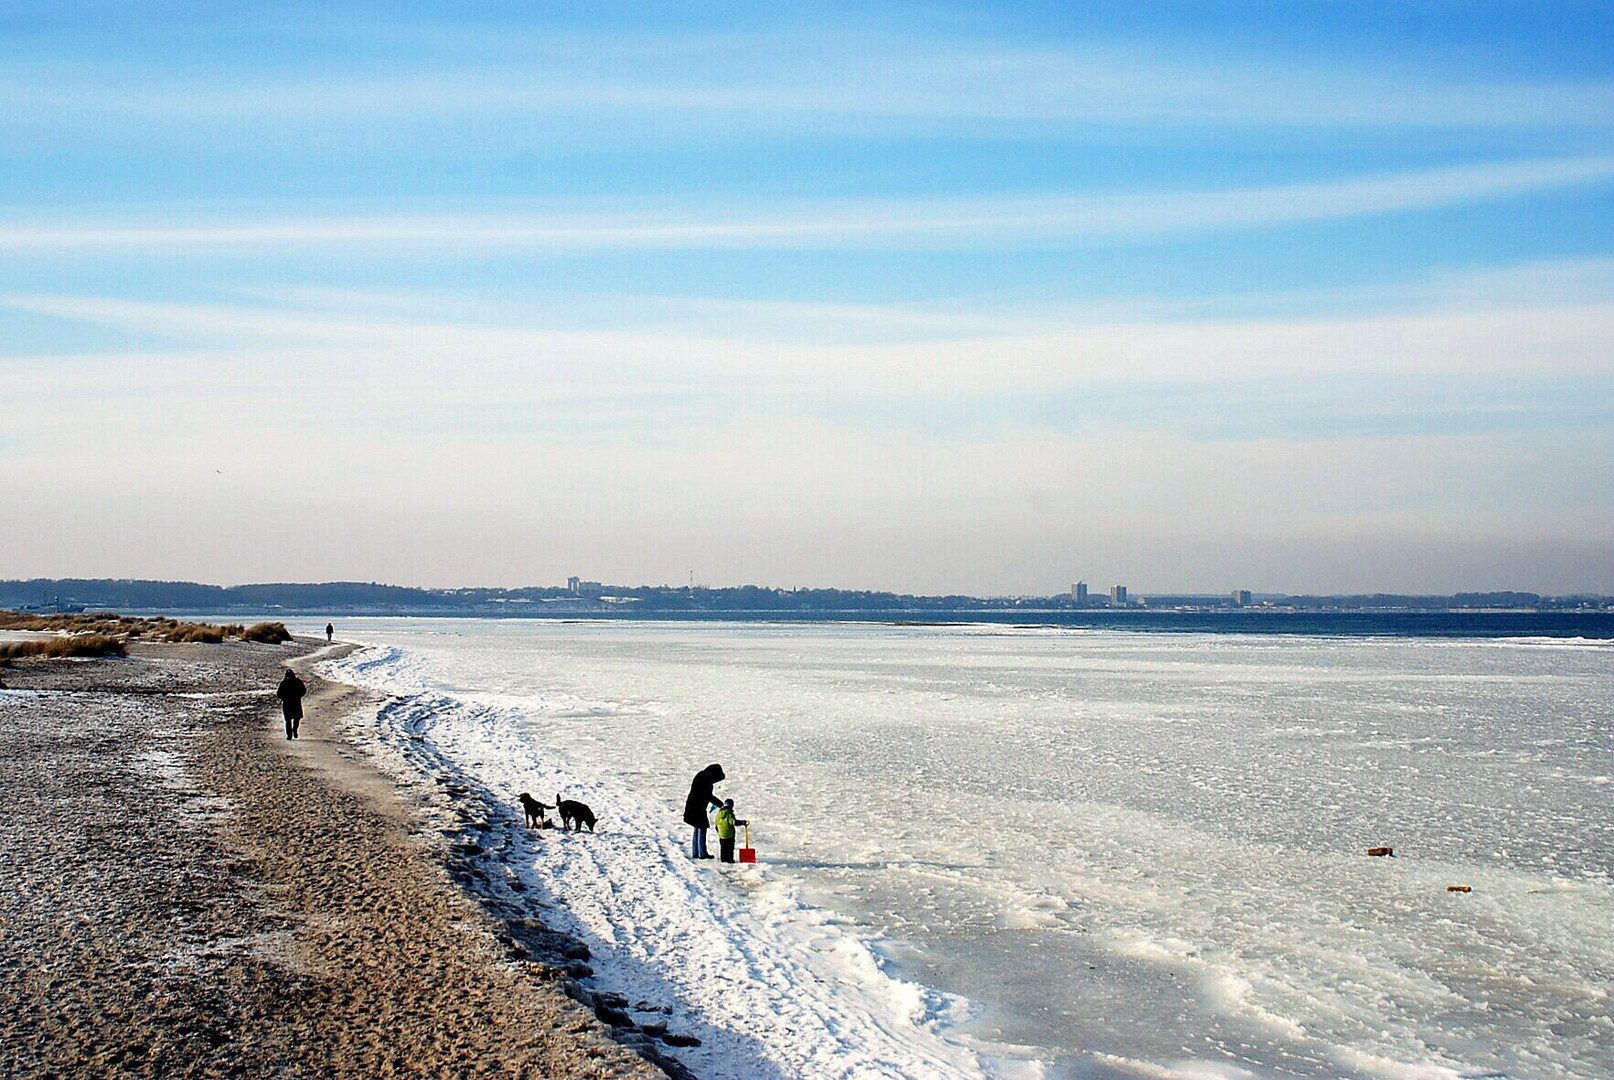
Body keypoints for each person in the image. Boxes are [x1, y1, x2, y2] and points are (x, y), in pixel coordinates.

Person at [683, 763, 725, 859]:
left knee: (697, 828)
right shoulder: (705, 781)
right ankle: (702, 853)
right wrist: (721, 804)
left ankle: (696, 852)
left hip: (693, 807)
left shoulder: (701, 776)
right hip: (698, 808)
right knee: (701, 828)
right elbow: (708, 796)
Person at [714, 798, 749, 864]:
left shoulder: (719, 814)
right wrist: (742, 822)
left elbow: (716, 825)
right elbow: (734, 822)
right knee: (729, 848)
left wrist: (719, 831)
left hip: (721, 835)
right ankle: (729, 859)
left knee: (723, 847)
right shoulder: (729, 814)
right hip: (729, 835)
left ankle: (723, 859)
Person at [276, 669, 306, 740]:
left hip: (290, 703)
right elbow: (279, 693)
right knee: (293, 719)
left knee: (292, 720)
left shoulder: (285, 683)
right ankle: (291, 733)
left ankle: (292, 732)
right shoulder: (296, 682)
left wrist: (284, 698)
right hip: (293, 703)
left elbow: (279, 693)